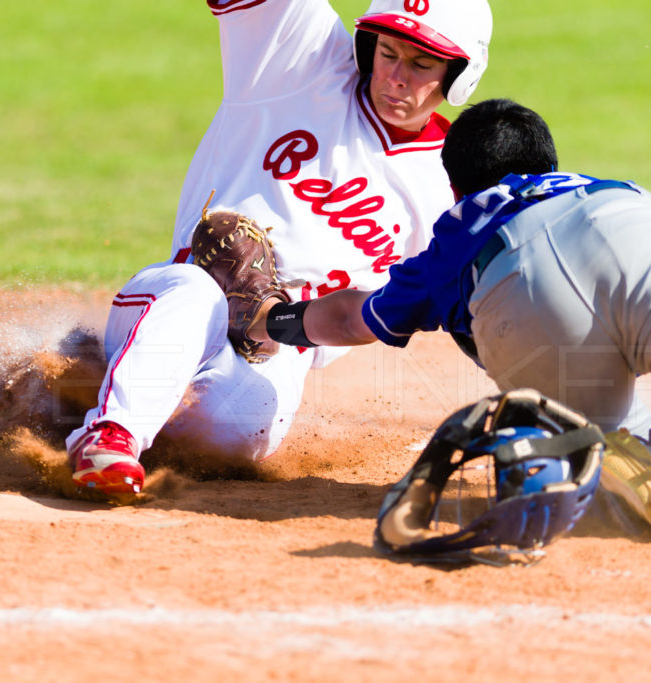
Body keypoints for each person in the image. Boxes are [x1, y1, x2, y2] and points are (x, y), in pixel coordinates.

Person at [250, 98, 651, 540]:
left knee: (629, 480)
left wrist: (269, 319)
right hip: (641, 232)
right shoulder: (619, 187)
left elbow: (349, 320)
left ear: (456, 186)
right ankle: (617, 445)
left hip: (520, 279)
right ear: (549, 165)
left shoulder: (459, 233)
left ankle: (605, 446)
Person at [66, 0, 494, 495]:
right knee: (194, 291)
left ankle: (91, 390)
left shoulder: (451, 183)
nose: (395, 76)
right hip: (182, 297)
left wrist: (278, 318)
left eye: (421, 64)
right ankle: (108, 436)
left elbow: (388, 312)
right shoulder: (298, 58)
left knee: (236, 437)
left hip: (285, 347)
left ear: (461, 74)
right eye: (387, 51)